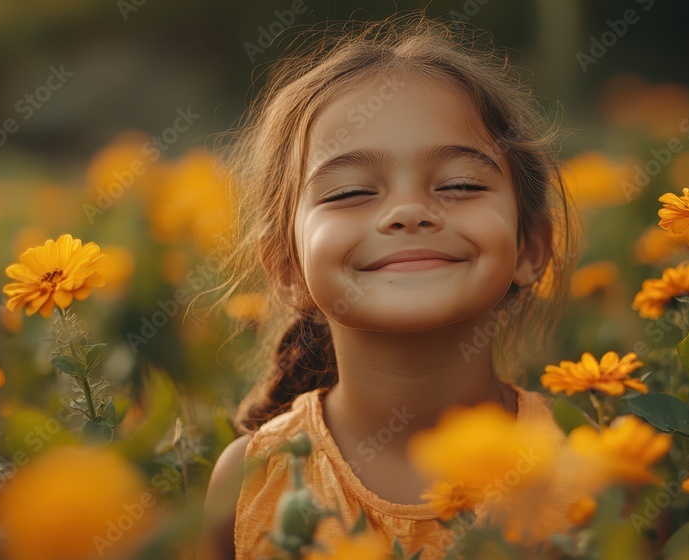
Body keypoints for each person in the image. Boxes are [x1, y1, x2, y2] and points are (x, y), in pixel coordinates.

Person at [196, 12, 582, 560]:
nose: (408, 212)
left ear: (531, 248)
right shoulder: (249, 480)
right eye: (350, 192)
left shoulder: (597, 470)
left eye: (460, 184)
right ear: (287, 269)